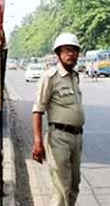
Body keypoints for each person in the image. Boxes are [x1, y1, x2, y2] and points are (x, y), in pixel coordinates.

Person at [32, 32, 85, 206]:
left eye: (74, 51)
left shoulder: (74, 77)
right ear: (58, 53)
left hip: (76, 138)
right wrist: (38, 143)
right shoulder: (50, 77)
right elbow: (38, 111)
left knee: (74, 185)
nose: (71, 54)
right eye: (67, 50)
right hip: (59, 138)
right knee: (62, 188)